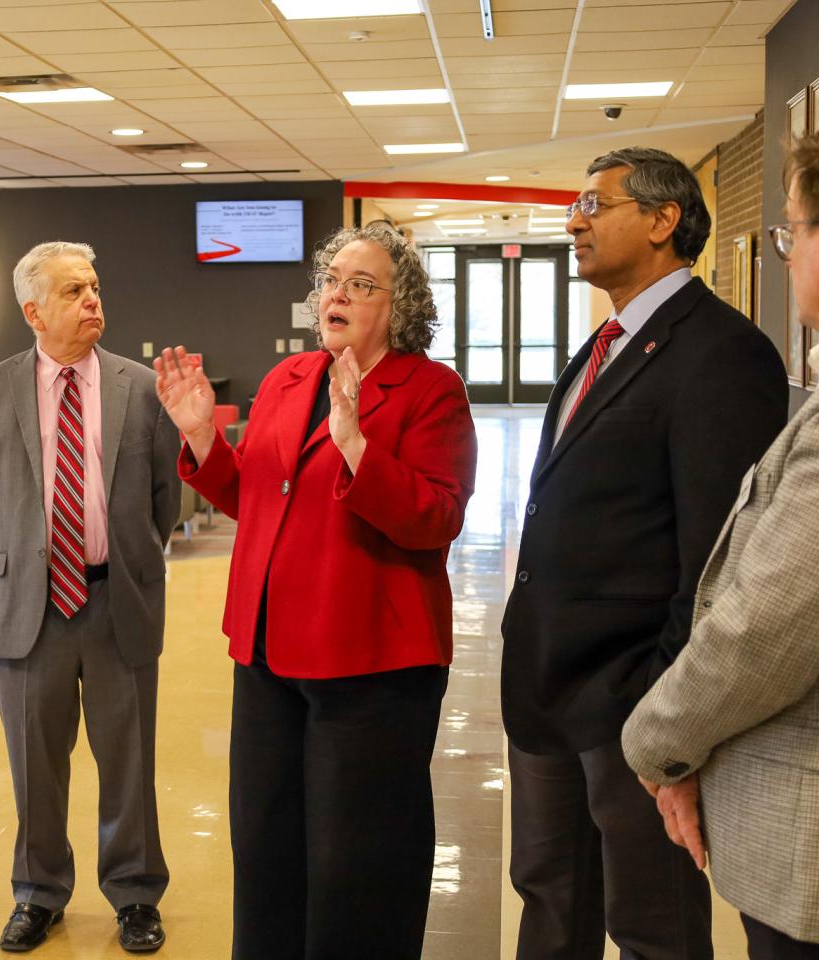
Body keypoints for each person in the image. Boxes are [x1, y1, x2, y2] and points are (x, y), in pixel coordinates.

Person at [154, 222, 477, 959]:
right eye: (333, 281)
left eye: (361, 285)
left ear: (400, 307)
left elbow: (438, 516)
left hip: (372, 662)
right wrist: (204, 440)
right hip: (268, 655)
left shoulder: (430, 390)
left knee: (357, 862)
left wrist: (356, 444)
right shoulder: (287, 380)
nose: (338, 295)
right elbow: (260, 495)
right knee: (265, 846)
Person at [500, 147, 789, 959]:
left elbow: (717, 559)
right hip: (550, 682)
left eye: (597, 205)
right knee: (548, 894)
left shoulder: (720, 353)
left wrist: (670, 713)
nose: (575, 221)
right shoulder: (609, 343)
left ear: (664, 220)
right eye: (575, 206)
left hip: (635, 697)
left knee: (650, 920)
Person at [622, 132, 819, 958]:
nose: (784, 255)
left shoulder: (724, 352)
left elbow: (766, 623)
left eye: (791, 231)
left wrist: (658, 745)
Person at [0, 241, 181, 954]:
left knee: (129, 763)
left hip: (119, 602)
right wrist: (27, 561)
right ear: (33, 311)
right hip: (29, 610)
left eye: (94, 286)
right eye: (74, 291)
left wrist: (126, 556)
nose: (93, 301)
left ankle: (136, 895)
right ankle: (39, 894)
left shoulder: (141, 388)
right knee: (35, 765)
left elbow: (163, 501)